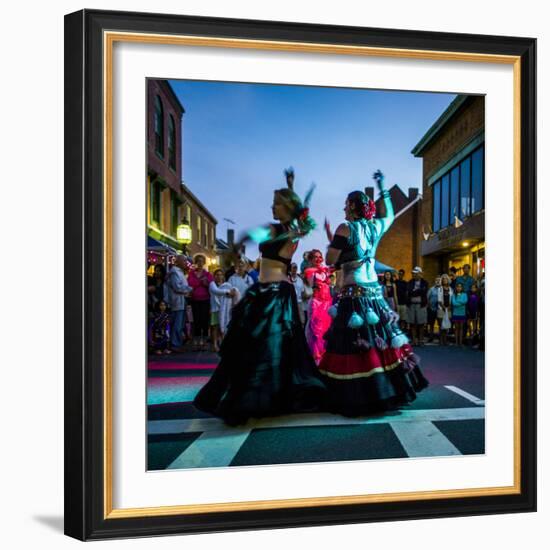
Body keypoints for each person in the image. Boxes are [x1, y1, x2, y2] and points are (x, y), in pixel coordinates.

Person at [193, 168, 327, 424]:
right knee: (260, 346)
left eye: (276, 204)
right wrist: (291, 185)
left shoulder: (284, 232)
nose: (272, 207)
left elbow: (269, 228)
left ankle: (262, 396)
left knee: (266, 346)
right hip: (269, 292)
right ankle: (262, 394)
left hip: (274, 294)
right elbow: (259, 232)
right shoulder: (281, 229)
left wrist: (291, 187)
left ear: (287, 207)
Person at [318, 170, 428, 417]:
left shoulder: (345, 228)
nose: (344, 208)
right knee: (382, 341)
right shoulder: (376, 226)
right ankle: (388, 390)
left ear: (355, 207)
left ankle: (359, 394)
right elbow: (388, 213)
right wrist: (382, 186)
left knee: (354, 345)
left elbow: (330, 258)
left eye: (347, 204)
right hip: (374, 294)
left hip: (353, 293)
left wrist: (339, 255)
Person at [304, 249, 333, 364]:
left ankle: (326, 355)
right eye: (315, 257)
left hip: (327, 303)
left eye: (320, 256)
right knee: (316, 332)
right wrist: (323, 268)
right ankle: (316, 358)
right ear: (311, 259)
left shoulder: (325, 271)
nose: (318, 259)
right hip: (317, 303)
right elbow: (308, 272)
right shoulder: (311, 271)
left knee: (326, 330)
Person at [165, 255, 193, 351]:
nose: (186, 262)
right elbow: (177, 287)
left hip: (181, 301)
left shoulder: (180, 272)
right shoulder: (175, 272)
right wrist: (189, 290)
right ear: (178, 262)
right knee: (177, 323)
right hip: (177, 302)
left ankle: (178, 343)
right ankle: (175, 344)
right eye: (184, 260)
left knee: (180, 323)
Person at [188, 254, 214, 351]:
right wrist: (200, 282)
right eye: (198, 261)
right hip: (195, 300)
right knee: (196, 321)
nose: (200, 263)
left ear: (204, 263)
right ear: (196, 262)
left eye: (201, 261)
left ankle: (204, 342)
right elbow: (190, 284)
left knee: (204, 321)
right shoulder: (191, 273)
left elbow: (211, 286)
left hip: (205, 300)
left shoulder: (208, 274)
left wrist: (206, 284)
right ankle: (196, 342)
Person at [209, 269, 238, 353]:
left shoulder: (226, 285)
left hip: (224, 309)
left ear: (223, 276)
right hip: (215, 308)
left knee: (223, 326)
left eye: (221, 274)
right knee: (215, 327)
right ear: (214, 276)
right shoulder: (212, 284)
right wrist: (228, 292)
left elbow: (232, 293)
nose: (219, 276)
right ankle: (214, 345)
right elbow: (216, 291)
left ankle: (222, 343)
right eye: (217, 274)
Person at [407, 266, 429, 346]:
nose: (414, 275)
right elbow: (410, 292)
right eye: (413, 273)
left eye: (416, 273)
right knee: (412, 324)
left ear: (420, 274)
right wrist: (418, 291)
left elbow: (424, 292)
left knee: (421, 324)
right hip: (411, 305)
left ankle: (421, 340)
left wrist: (415, 291)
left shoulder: (425, 282)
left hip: (421, 305)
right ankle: (413, 341)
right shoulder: (410, 282)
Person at [288, 262, 306, 326]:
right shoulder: (287, 279)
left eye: (296, 267)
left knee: (302, 320)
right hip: (290, 302)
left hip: (299, 302)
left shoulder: (300, 279)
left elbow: (303, 291)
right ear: (290, 269)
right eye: (293, 267)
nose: (294, 269)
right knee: (291, 320)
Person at [437, 273, 453, 345]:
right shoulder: (439, 289)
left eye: (446, 279)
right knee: (441, 326)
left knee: (446, 325)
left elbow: (452, 299)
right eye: (443, 279)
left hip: (449, 309)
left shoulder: (451, 289)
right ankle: (441, 340)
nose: (444, 280)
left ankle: (445, 340)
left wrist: (449, 307)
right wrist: (444, 307)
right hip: (441, 308)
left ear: (448, 280)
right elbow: (439, 300)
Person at [451, 282, 468, 346]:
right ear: (456, 288)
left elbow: (465, 301)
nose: (459, 288)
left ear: (462, 288)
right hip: (456, 313)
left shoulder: (464, 294)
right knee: (456, 328)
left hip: (462, 313)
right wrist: (460, 302)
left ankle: (460, 342)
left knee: (461, 328)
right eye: (458, 286)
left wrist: (458, 301)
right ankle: (456, 342)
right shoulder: (453, 295)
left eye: (460, 287)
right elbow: (453, 303)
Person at [427, 276, 442, 342]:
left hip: (440, 309)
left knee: (440, 324)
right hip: (432, 309)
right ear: (434, 281)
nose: (438, 281)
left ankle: (440, 337)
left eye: (439, 280)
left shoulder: (442, 289)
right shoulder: (431, 289)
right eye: (436, 280)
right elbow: (427, 298)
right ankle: (431, 337)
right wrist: (429, 306)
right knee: (431, 324)